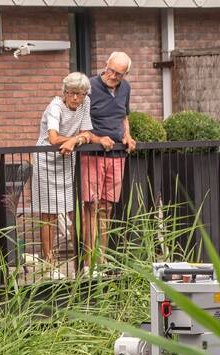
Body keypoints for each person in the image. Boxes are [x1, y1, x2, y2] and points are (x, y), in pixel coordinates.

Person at [28, 72, 112, 274]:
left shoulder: (85, 103)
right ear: (65, 92)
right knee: (48, 216)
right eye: (72, 93)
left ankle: (83, 266)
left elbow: (85, 132)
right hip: (46, 162)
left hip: (67, 161)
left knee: (74, 213)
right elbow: (53, 138)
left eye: (81, 94)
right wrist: (75, 139)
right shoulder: (55, 106)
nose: (76, 98)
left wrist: (78, 140)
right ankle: (50, 267)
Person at [81, 52, 137, 272]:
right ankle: (88, 262)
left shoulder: (126, 88)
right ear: (106, 65)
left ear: (125, 75)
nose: (113, 76)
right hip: (93, 154)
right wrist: (97, 139)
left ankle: (101, 260)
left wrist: (128, 136)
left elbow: (124, 116)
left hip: (116, 156)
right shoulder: (90, 87)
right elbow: (80, 123)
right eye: (111, 71)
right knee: (91, 206)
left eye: (119, 74)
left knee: (107, 208)